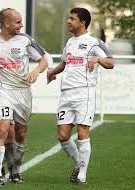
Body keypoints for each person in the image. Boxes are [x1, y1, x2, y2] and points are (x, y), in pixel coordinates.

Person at [47, 8, 114, 185]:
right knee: (62, 136)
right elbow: (64, 63)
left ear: (82, 22)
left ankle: (82, 175)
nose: (68, 21)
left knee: (83, 132)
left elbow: (111, 62)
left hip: (84, 93)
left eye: (72, 19)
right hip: (66, 94)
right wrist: (51, 72)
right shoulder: (69, 42)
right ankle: (79, 163)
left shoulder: (94, 42)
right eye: (68, 18)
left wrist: (98, 59)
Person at [0, 8, 47, 185]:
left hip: (23, 92)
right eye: (18, 22)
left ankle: (17, 170)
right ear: (6, 23)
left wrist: (36, 71)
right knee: (3, 128)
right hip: (4, 91)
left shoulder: (25, 40)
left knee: (20, 133)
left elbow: (44, 60)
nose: (21, 25)